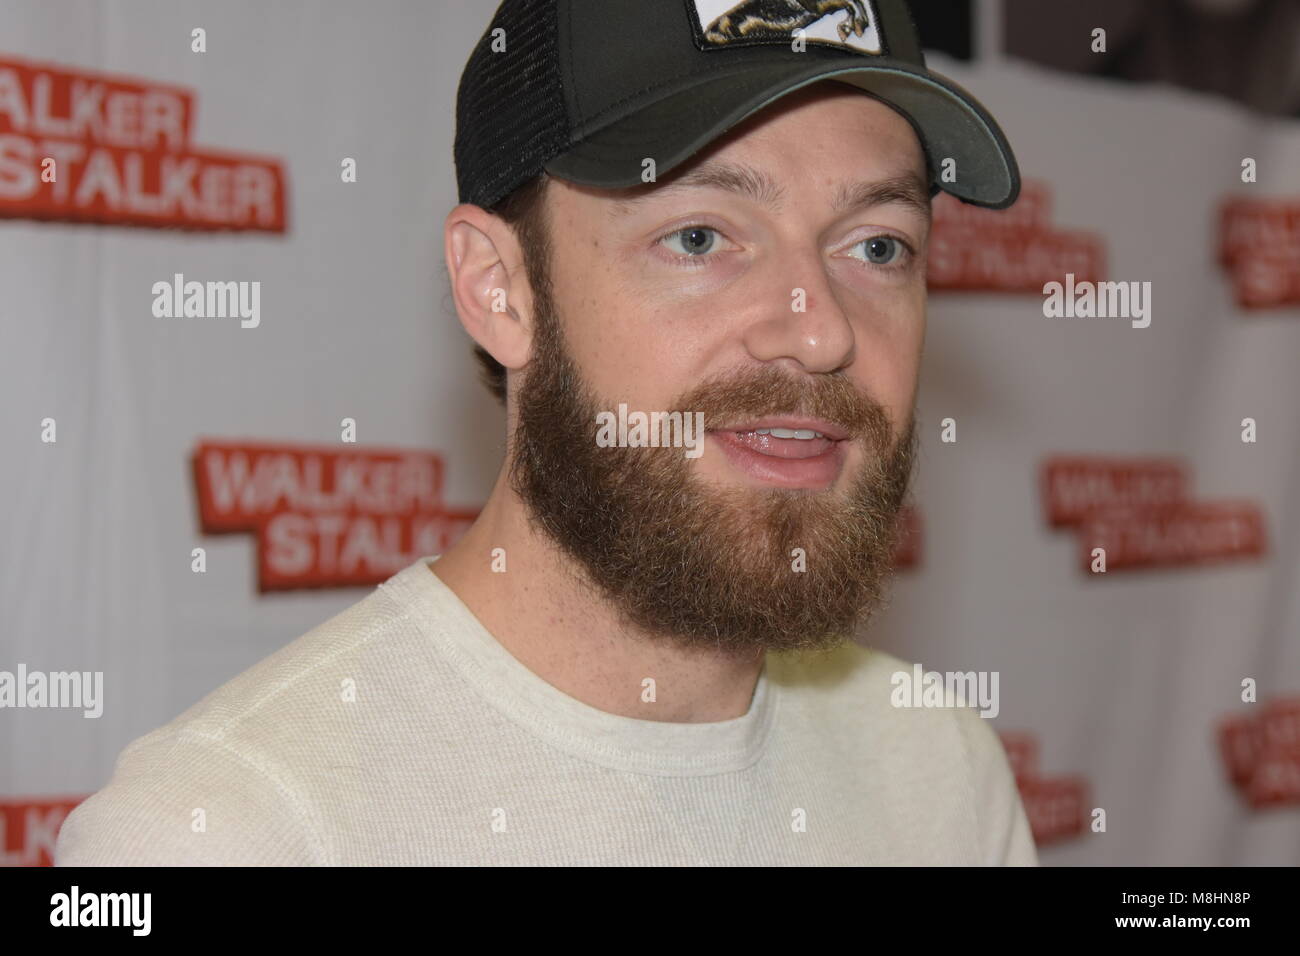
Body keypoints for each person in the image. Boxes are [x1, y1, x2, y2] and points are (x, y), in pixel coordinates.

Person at [56, 0, 1035, 865]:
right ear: (498, 289)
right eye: (698, 237)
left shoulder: (938, 766)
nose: (819, 328)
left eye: (876, 246)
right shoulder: (225, 832)